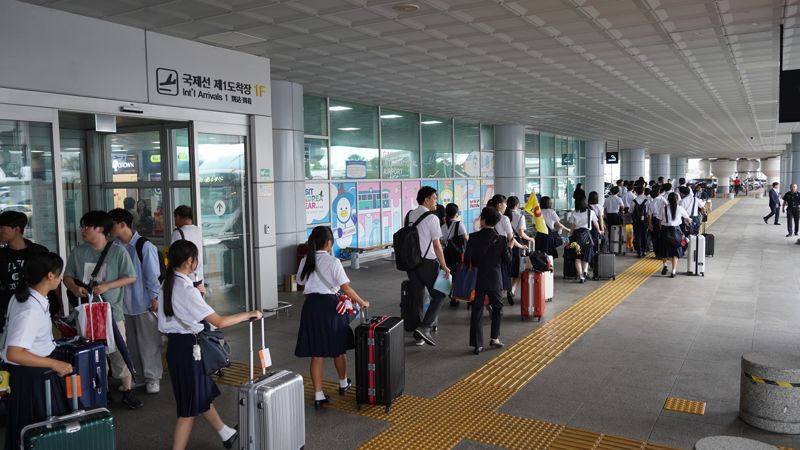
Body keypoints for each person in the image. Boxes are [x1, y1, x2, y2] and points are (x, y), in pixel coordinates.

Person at [158, 240, 261, 450]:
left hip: (177, 349)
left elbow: (170, 319)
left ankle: (226, 433)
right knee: (188, 410)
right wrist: (250, 314)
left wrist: (199, 296)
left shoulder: (166, 285)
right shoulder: (187, 289)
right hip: (189, 351)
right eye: (195, 258)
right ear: (189, 261)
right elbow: (219, 322)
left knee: (200, 396)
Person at [63, 210, 142, 409]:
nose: (82, 230)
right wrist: (74, 287)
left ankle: (127, 390)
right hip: (86, 314)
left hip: (112, 313)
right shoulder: (78, 252)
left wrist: (108, 286)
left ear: (100, 229)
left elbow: (131, 276)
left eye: (86, 226)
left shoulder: (117, 251)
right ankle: (101, 392)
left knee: (119, 353)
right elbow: (67, 276)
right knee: (93, 354)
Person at [1, 252, 73, 450]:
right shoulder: (30, 308)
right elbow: (14, 352)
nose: (60, 279)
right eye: (59, 275)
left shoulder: (26, 297)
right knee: (39, 433)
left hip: (27, 373)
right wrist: (55, 363)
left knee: (29, 432)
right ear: (50, 276)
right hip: (31, 376)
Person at [295, 226, 369, 408]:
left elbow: (300, 282)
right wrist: (362, 301)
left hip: (311, 308)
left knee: (317, 353)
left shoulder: (306, 260)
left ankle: (318, 395)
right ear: (329, 243)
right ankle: (343, 383)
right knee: (338, 348)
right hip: (330, 308)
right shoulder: (333, 262)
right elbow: (345, 288)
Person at [109, 208, 162, 395]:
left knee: (148, 343)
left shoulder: (144, 246)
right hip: (122, 304)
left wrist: (154, 297)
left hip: (143, 302)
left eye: (112, 224)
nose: (109, 229)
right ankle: (137, 376)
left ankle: (153, 378)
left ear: (123, 224)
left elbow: (152, 275)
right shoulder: (114, 246)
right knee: (130, 344)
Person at [405, 186, 450, 346]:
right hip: (427, 263)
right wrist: (444, 266)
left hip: (411, 264)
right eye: (434, 198)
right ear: (426, 200)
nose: (436, 201)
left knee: (418, 298)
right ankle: (424, 328)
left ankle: (418, 335)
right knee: (440, 293)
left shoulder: (409, 215)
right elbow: (437, 245)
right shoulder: (432, 218)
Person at [466, 207, 511, 355]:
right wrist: (509, 247)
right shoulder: (502, 239)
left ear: (483, 220)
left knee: (477, 310)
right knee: (498, 308)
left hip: (477, 279)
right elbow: (507, 260)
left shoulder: (472, 237)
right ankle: (495, 338)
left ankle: (477, 344)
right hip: (494, 279)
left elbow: (467, 261)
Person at [0, 211, 50, 331]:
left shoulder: (39, 252)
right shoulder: (1, 255)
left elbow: (50, 278)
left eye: (2, 228)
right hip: (7, 313)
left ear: (16, 229)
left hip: (35, 311)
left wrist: (60, 306)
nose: (0, 231)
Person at [487, 194, 525, 305]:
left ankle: (491, 298)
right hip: (502, 249)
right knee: (504, 274)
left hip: (489, 249)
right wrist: (516, 246)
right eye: (505, 203)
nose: (506, 206)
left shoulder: (488, 216)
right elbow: (510, 238)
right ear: (499, 205)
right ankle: (500, 298)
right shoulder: (504, 218)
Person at [504, 196, 534, 305]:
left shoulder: (503, 216)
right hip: (516, 245)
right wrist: (530, 239)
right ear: (517, 205)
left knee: (505, 268)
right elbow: (521, 234)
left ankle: (504, 290)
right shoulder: (520, 217)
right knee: (516, 270)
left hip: (504, 244)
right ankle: (511, 290)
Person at [171, 206, 205, 294]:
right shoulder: (199, 231)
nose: (175, 222)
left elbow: (173, 256)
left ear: (178, 217)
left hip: (185, 278)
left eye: (175, 218)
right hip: (198, 278)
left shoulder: (177, 233)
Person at [567, 198, 600, 283]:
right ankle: (585, 271)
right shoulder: (591, 212)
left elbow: (573, 226)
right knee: (586, 256)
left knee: (577, 258)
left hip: (576, 237)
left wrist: (569, 235)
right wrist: (599, 230)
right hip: (587, 237)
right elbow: (596, 223)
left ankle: (581, 276)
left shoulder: (574, 213)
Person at [441, 203, 468, 307]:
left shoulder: (443, 226)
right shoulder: (459, 224)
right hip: (457, 254)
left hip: (446, 254)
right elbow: (466, 238)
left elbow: (441, 241)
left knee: (448, 273)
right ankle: (455, 296)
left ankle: (450, 293)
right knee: (457, 275)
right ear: (456, 213)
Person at [658, 193, 690, 278]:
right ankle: (673, 271)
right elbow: (688, 218)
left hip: (665, 231)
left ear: (668, 199)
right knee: (675, 251)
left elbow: (660, 220)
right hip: (676, 232)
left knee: (664, 249)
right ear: (677, 199)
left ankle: (665, 265)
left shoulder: (663, 208)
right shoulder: (680, 208)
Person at [630, 186, 649, 258]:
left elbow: (630, 211)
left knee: (637, 236)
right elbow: (649, 212)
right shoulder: (647, 200)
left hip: (636, 221)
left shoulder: (634, 201)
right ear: (643, 192)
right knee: (644, 235)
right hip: (645, 221)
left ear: (636, 192)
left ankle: (639, 252)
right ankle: (644, 250)